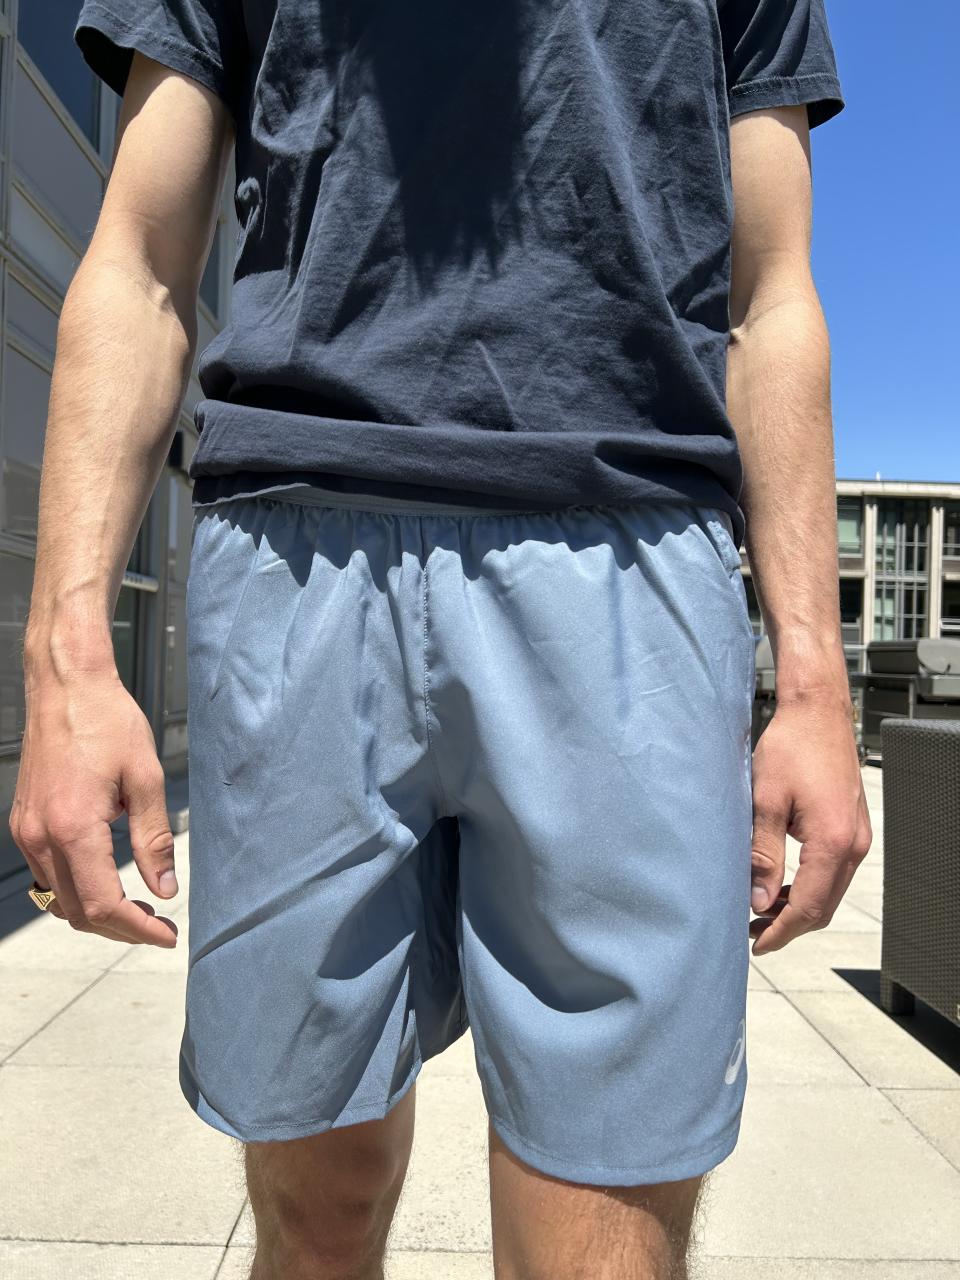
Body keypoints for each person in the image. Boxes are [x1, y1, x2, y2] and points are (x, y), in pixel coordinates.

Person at [12, 0, 871, 1275]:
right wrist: (69, 650)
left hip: (629, 557)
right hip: (301, 557)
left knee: (605, 1242)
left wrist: (813, 673)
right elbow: (137, 261)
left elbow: (771, 296)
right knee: (317, 1216)